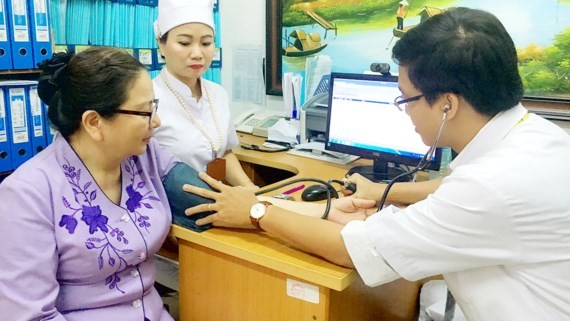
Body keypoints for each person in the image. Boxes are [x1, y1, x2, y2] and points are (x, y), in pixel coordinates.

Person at [182, 7, 570, 321]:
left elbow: (351, 250)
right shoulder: (532, 136)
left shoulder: (492, 186)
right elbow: (451, 190)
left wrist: (256, 210)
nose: (405, 114)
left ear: (448, 103)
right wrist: (368, 197)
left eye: (406, 100)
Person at [0, 47, 210, 320]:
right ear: (94, 122)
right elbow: (29, 315)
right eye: (145, 112)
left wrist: (256, 210)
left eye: (154, 107)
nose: (156, 122)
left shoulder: (145, 156)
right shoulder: (27, 195)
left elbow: (199, 193)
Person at [152, 0, 258, 190]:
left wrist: (250, 188)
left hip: (220, 203)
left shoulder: (218, 93)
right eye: (184, 43)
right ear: (161, 43)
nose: (197, 53)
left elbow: (224, 152)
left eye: (206, 43)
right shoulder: (149, 99)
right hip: (173, 209)